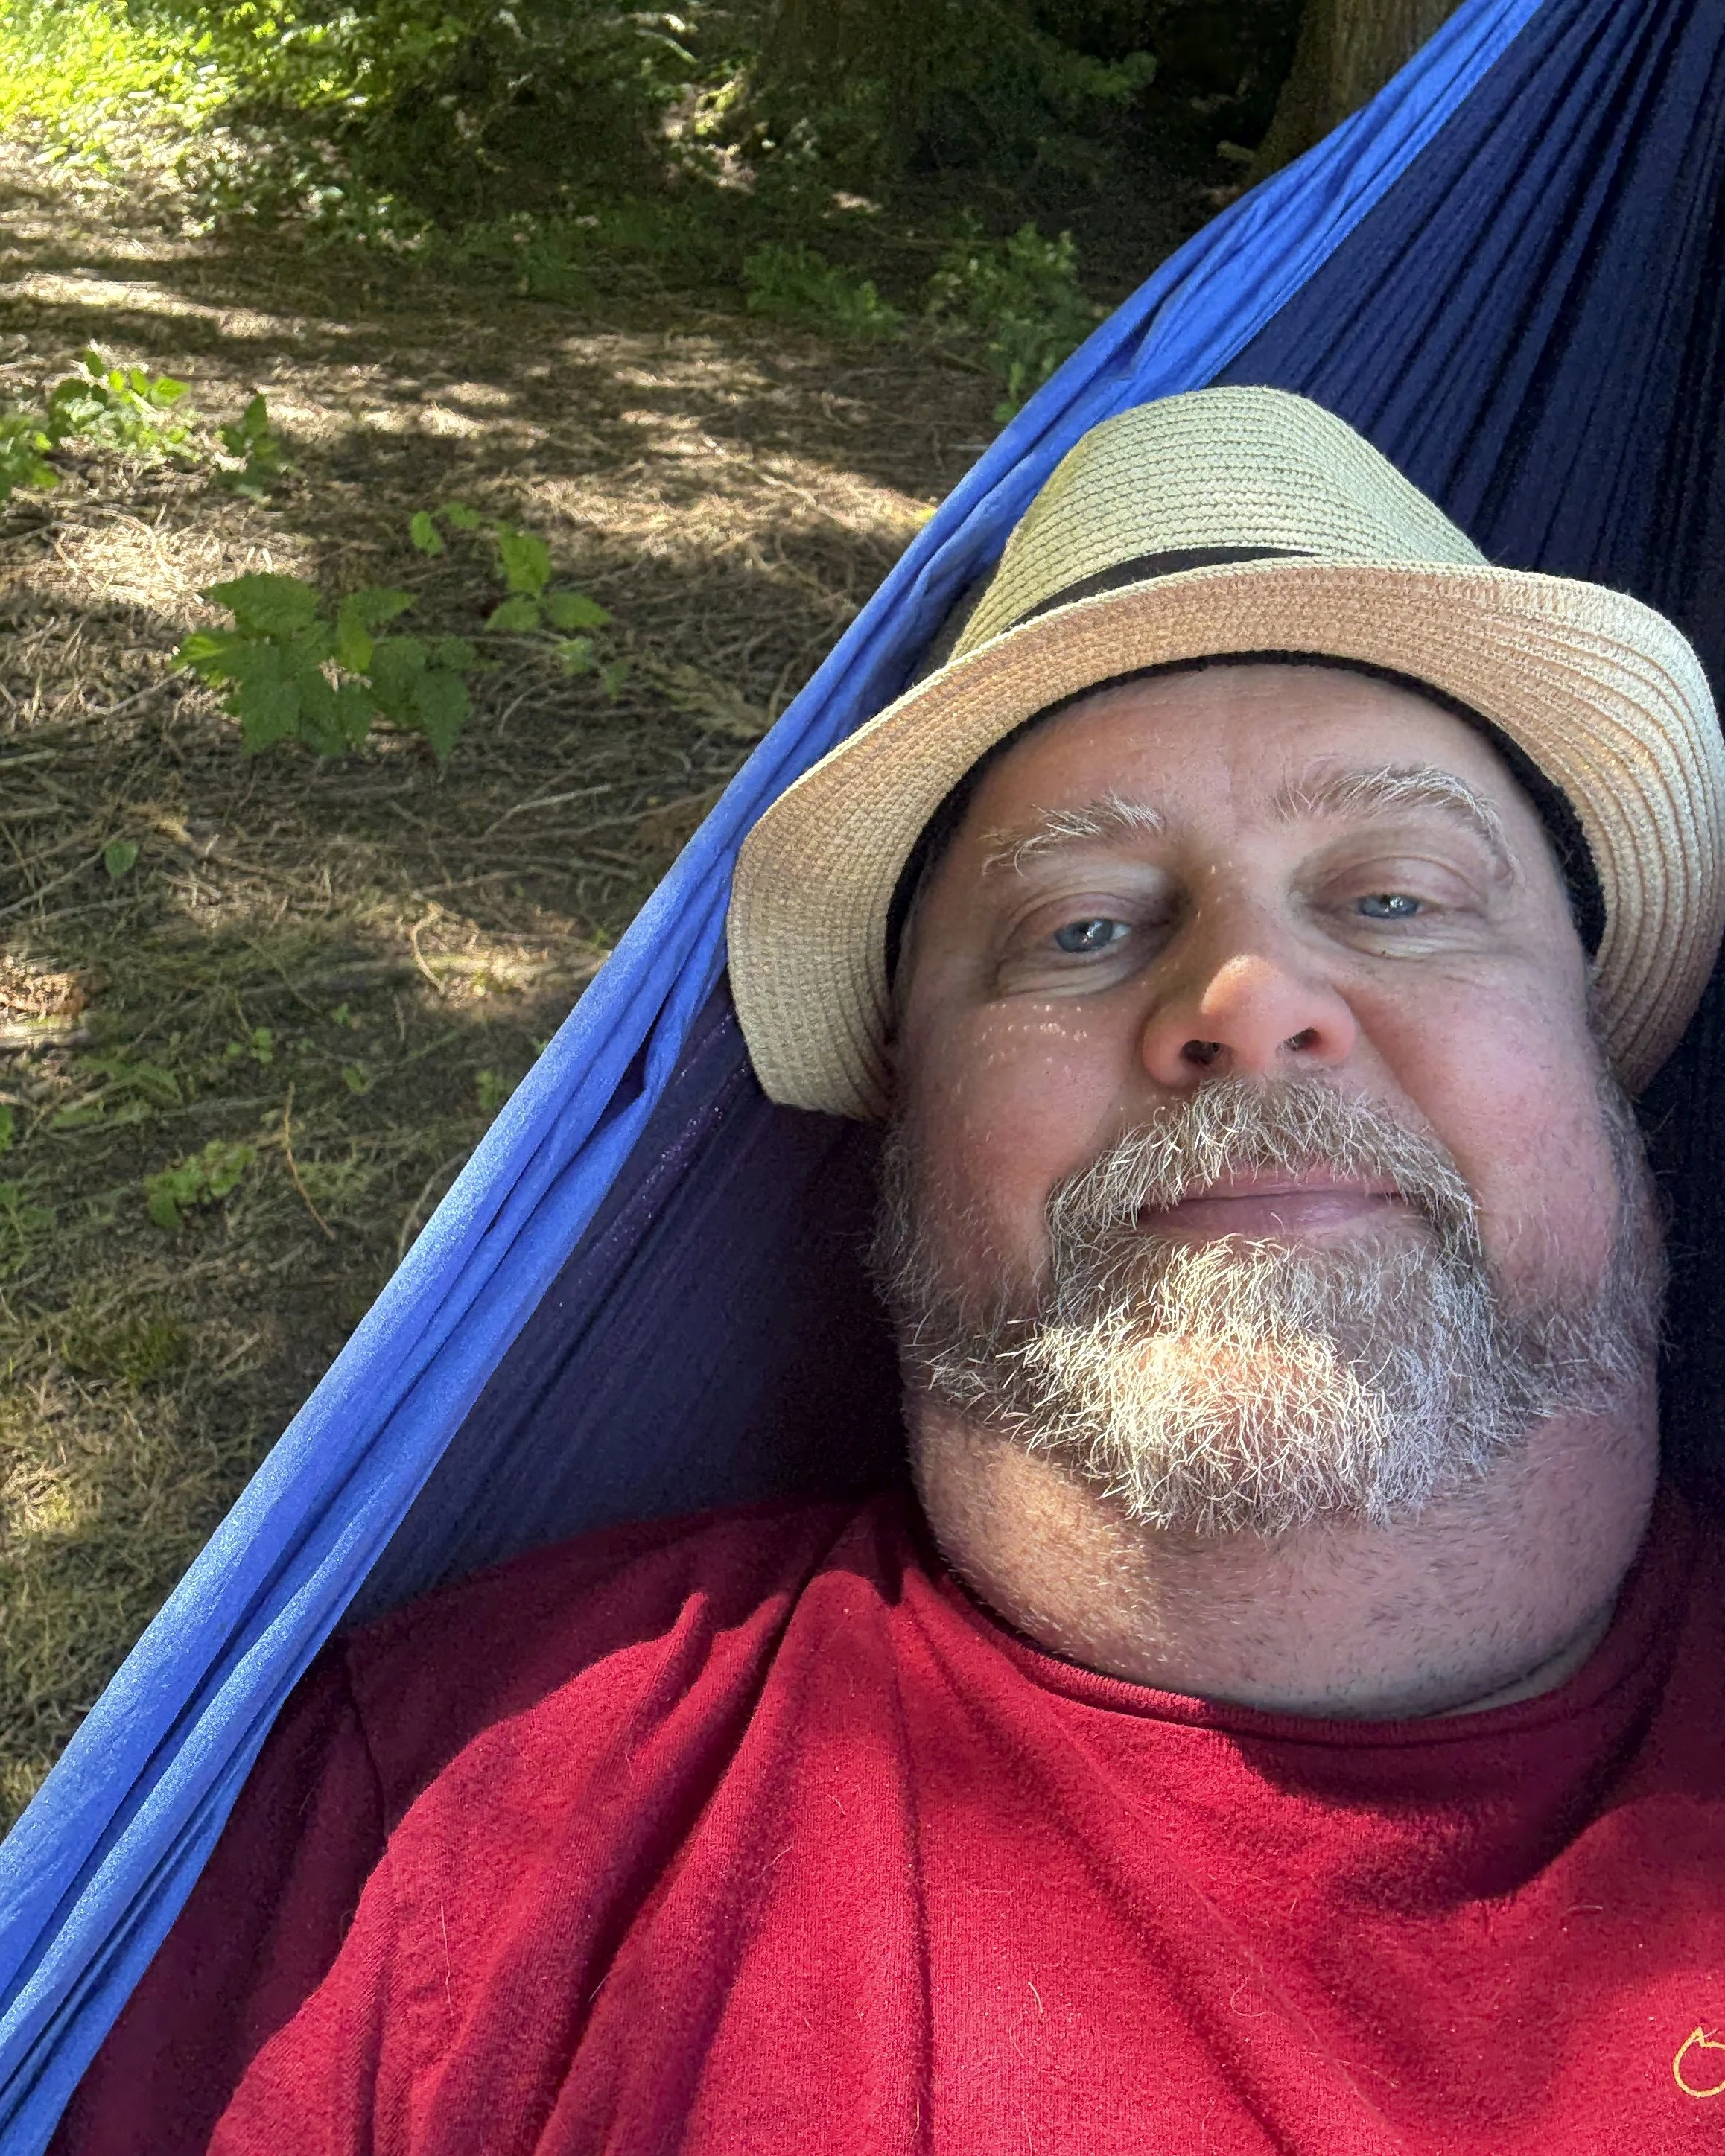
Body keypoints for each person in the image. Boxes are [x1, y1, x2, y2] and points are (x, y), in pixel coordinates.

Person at [53, 388, 1725, 2154]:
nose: (1248, 1003)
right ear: (903, 1130)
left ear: (1612, 1091)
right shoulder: (450, 1837)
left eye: (1397, 896)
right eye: (1082, 926)